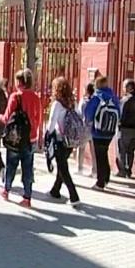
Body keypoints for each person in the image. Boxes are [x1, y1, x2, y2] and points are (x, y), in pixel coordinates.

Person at [0, 69, 42, 208]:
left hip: (16, 139)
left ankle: (6, 190)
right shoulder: (36, 97)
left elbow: (6, 117)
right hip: (31, 138)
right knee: (28, 168)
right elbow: (38, 118)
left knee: (11, 165)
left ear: (20, 82)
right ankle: (27, 197)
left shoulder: (15, 97)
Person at [45, 77, 81, 207]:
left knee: (63, 169)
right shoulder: (72, 102)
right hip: (70, 140)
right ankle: (56, 190)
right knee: (62, 165)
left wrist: (47, 134)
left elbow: (51, 124)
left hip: (60, 139)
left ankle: (74, 195)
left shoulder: (57, 104)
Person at [85, 76, 120, 191]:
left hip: (98, 130)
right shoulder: (113, 97)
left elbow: (89, 113)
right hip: (110, 131)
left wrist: (88, 122)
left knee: (100, 156)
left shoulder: (97, 97)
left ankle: (100, 182)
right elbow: (119, 112)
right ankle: (106, 178)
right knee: (104, 153)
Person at [116, 78, 135, 178]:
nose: (123, 88)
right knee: (130, 151)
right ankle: (129, 170)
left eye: (124, 86)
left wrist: (118, 124)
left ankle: (122, 171)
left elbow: (121, 114)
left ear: (128, 87)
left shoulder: (126, 100)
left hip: (125, 128)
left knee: (122, 150)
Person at [76, 82, 97, 176]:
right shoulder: (96, 101)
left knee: (81, 149)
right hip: (94, 128)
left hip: (84, 128)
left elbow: (79, 114)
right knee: (94, 151)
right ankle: (94, 170)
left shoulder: (83, 101)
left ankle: (79, 168)